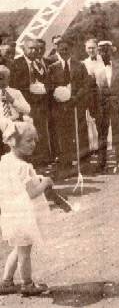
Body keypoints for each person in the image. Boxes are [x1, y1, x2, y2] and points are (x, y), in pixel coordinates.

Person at [0, 120, 50, 296]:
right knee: (25, 252)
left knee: (18, 248)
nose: (33, 144)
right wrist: (45, 183)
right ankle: (27, 284)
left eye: (34, 140)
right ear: (14, 142)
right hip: (23, 216)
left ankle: (6, 282)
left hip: (11, 213)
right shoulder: (23, 166)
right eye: (29, 140)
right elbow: (32, 192)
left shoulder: (5, 161)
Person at [49, 38, 92, 179]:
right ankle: (66, 166)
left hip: (77, 105)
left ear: (71, 50)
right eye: (61, 49)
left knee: (81, 134)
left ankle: (84, 165)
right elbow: (50, 86)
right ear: (57, 50)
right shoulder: (52, 67)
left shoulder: (79, 65)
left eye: (66, 49)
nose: (64, 51)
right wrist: (59, 97)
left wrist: (75, 98)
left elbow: (86, 85)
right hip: (61, 108)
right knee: (64, 137)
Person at [10, 39, 52, 166]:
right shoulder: (16, 64)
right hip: (23, 105)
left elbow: (46, 82)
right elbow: (13, 86)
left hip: (39, 105)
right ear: (24, 49)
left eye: (36, 48)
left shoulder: (38, 64)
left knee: (37, 133)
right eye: (30, 48)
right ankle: (26, 163)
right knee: (24, 135)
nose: (34, 51)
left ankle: (38, 161)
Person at [89, 40, 119, 173]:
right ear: (99, 52)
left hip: (116, 105)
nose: (105, 53)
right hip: (101, 106)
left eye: (107, 50)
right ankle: (102, 163)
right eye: (102, 50)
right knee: (102, 135)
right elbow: (92, 90)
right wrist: (93, 109)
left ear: (111, 51)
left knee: (118, 133)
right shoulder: (94, 69)